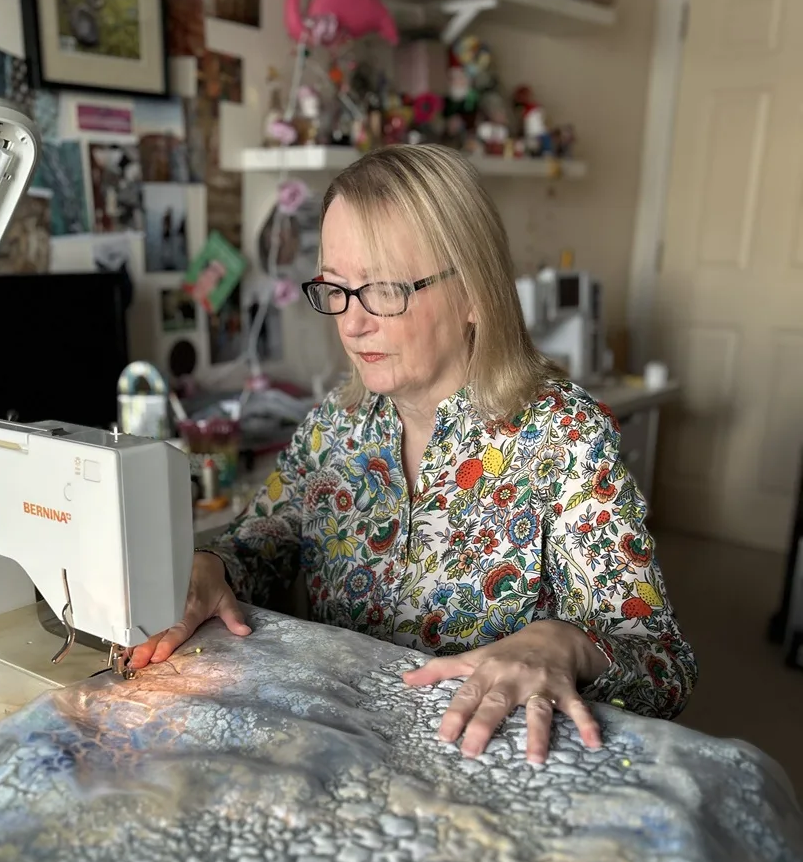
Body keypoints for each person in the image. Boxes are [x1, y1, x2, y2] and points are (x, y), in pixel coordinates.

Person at [130, 144, 697, 764]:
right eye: (336, 289)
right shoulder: (334, 430)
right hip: (339, 754)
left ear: (475, 293)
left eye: (384, 290)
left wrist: (561, 643)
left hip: (484, 770)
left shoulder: (564, 436)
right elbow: (256, 545)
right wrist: (211, 567)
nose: (351, 325)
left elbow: (661, 663)